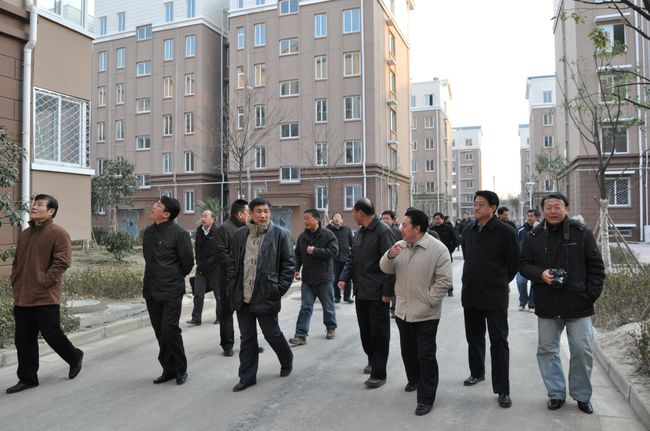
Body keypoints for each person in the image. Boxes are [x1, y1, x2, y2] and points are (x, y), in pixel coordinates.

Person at [519, 192, 605, 415]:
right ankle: (556, 393)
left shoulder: (581, 233)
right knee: (547, 350)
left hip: (578, 304)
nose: (553, 211)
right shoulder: (534, 236)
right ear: (543, 210)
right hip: (548, 303)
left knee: (582, 350)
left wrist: (590, 295)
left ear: (567, 209)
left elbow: (596, 267)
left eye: (557, 206)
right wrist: (540, 274)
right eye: (548, 207)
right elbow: (523, 264)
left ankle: (582, 395)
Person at [6, 194, 84, 394]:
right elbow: (17, 262)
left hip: (45, 295)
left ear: (51, 211)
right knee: (23, 339)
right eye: (34, 204)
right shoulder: (26, 234)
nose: (33, 207)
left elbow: (62, 262)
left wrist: (44, 282)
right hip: (23, 295)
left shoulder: (58, 233)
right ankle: (27, 378)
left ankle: (74, 356)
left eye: (39, 205)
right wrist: (15, 280)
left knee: (52, 334)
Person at [379, 208, 453, 416]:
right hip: (403, 311)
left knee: (426, 355)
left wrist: (430, 301)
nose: (401, 228)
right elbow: (385, 268)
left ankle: (426, 398)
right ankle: (414, 379)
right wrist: (390, 255)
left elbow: (444, 280)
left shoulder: (437, 249)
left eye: (405, 225)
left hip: (426, 314)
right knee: (408, 351)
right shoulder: (400, 246)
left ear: (417, 228)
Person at [228, 198, 295, 392]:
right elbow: (232, 262)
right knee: (247, 337)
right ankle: (247, 377)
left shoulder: (280, 234)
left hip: (266, 294)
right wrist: (232, 286)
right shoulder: (240, 235)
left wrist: (277, 289)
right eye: (258, 211)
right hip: (243, 296)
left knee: (271, 333)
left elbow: (288, 265)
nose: (263, 215)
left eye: (266, 211)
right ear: (250, 213)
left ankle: (286, 358)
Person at [460, 190, 519, 408]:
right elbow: (467, 257)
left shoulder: (506, 232)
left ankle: (502, 389)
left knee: (499, 342)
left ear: (493, 208)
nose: (475, 207)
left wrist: (499, 281)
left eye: (481, 204)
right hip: (471, 293)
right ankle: (477, 372)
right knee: (474, 337)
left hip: (495, 295)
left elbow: (513, 263)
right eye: (475, 203)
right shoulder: (468, 230)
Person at [338, 198, 396, 389]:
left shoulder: (383, 231)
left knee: (379, 333)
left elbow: (391, 263)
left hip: (378, 292)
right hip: (361, 290)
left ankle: (379, 373)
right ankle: (372, 360)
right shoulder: (361, 232)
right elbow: (352, 257)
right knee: (366, 331)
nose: (352, 215)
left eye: (353, 212)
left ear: (360, 213)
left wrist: (388, 291)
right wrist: (344, 277)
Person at [142, 196, 194, 386]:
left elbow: (187, 262)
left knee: (169, 330)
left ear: (166, 214)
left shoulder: (180, 233)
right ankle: (168, 369)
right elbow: (148, 259)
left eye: (158, 205)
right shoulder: (149, 232)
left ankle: (181, 369)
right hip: (151, 290)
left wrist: (172, 276)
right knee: (160, 332)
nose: (153, 207)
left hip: (171, 290)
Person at [289, 209, 339, 346]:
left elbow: (334, 251)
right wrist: (296, 269)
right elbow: (297, 254)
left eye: (308, 218)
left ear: (316, 219)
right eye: (304, 219)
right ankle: (300, 335)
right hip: (308, 280)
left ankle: (330, 327)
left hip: (324, 278)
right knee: (305, 307)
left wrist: (315, 251)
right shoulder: (302, 237)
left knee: (328, 306)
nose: (305, 221)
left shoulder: (327, 235)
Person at [215, 199, 249, 356]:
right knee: (227, 314)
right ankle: (227, 345)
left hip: (246, 279)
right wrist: (238, 267)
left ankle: (249, 343)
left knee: (247, 314)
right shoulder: (224, 229)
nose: (249, 216)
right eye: (248, 213)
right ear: (240, 214)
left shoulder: (247, 228)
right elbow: (221, 254)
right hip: (228, 280)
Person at [187, 210, 219, 326]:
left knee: (218, 295)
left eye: (205, 216)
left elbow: (218, 252)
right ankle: (196, 318)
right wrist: (198, 262)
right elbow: (197, 249)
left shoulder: (217, 232)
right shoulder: (199, 231)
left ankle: (220, 317)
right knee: (198, 293)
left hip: (215, 268)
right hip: (201, 268)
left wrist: (209, 264)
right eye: (202, 216)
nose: (203, 219)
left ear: (212, 219)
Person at [516, 208, 540, 312]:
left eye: (532, 216)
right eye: (528, 216)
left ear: (537, 217)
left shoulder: (541, 229)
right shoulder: (520, 230)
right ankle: (523, 301)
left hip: (536, 262)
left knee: (534, 283)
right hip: (522, 261)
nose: (529, 218)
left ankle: (532, 304)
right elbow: (515, 244)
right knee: (521, 282)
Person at [428, 212, 458, 297]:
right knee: (435, 274)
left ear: (442, 219)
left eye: (438, 219)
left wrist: (449, 251)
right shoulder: (431, 229)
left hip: (446, 254)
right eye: (435, 219)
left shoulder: (449, 228)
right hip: (434, 255)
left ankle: (450, 289)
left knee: (446, 273)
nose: (436, 221)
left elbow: (455, 241)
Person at [327, 213, 354, 304]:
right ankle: (337, 296)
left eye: (339, 217)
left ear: (342, 220)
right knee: (336, 278)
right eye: (335, 217)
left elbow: (353, 243)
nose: (337, 218)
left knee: (347, 278)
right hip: (335, 258)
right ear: (332, 220)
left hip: (347, 258)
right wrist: (329, 225)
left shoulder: (347, 230)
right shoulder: (330, 230)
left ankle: (347, 297)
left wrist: (353, 254)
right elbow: (323, 234)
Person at [381, 210, 401, 317]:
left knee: (395, 286)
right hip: (384, 262)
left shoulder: (397, 232)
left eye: (387, 218)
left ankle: (394, 308)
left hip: (396, 262)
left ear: (393, 220)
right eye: (383, 218)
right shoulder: (380, 231)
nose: (384, 220)